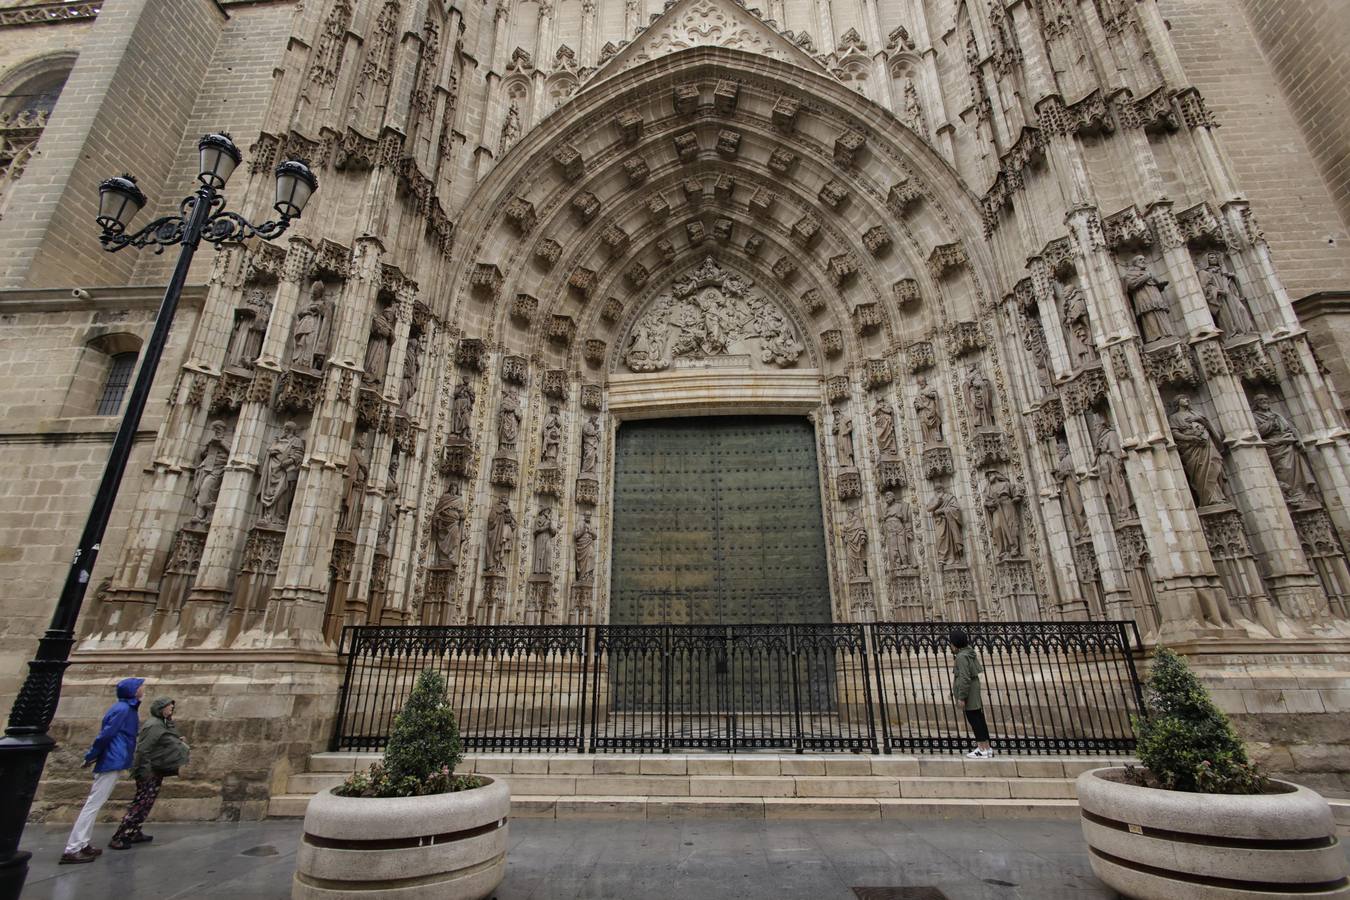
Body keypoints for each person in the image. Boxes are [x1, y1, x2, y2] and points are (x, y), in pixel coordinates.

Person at [60, 677, 145, 864]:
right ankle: (73, 848)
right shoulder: (123, 710)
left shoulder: (127, 709)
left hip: (115, 759)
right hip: (111, 760)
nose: (142, 689)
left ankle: (82, 843)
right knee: (93, 805)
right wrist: (91, 756)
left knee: (95, 803)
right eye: (139, 687)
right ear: (132, 691)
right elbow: (106, 734)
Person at [109, 697, 190, 850]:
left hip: (156, 769)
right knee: (140, 803)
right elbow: (143, 749)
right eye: (168, 707)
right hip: (149, 771)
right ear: (160, 708)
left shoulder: (162, 723)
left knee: (146, 803)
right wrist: (145, 771)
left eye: (172, 706)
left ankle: (134, 831)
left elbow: (167, 737)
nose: (171, 709)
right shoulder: (154, 725)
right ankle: (120, 836)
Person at [949, 630, 992, 759]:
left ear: (955, 644)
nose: (950, 646)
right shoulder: (969, 653)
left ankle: (981, 749)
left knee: (974, 720)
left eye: (951, 643)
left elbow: (964, 677)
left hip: (969, 692)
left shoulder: (961, 657)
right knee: (979, 718)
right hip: (974, 688)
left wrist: (961, 697)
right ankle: (987, 748)